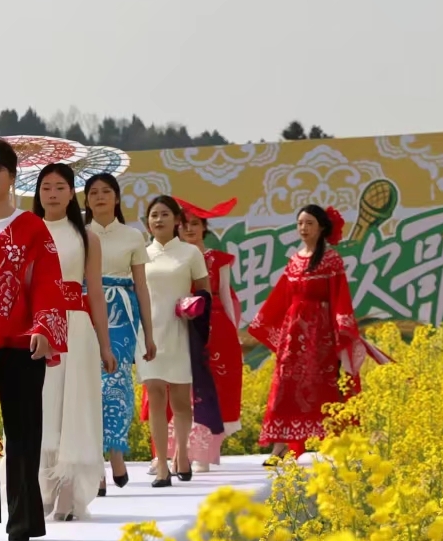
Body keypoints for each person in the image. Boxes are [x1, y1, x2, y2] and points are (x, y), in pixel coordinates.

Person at [0, 139, 66, 541]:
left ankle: (24, 520)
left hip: (23, 344)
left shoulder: (31, 227)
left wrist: (43, 327)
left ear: (12, 176)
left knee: (24, 431)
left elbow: (48, 281)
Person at [248, 203, 390, 455]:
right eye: (300, 223)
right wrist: (266, 324)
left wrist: (342, 330)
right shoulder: (294, 260)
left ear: (322, 227)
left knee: (323, 388)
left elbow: (340, 296)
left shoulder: (331, 260)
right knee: (284, 387)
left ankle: (332, 444)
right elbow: (281, 297)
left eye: (309, 223)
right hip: (293, 336)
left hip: (320, 335)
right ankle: (280, 445)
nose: (303, 228)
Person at [33, 163, 116, 522]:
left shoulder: (87, 238)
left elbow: (95, 293)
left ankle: (68, 496)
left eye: (60, 187)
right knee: (43, 406)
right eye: (46, 187)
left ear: (71, 193)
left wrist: (106, 344)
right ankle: (42, 491)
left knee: (75, 407)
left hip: (77, 328)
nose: (52, 194)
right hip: (38, 329)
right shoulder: (27, 232)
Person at [86, 172, 152, 493]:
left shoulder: (133, 236)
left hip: (123, 314)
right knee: (88, 387)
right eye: (93, 192)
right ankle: (95, 465)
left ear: (116, 197)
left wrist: (149, 334)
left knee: (116, 381)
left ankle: (116, 451)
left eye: (106, 191)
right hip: (86, 310)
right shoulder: (79, 233)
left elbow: (141, 286)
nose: (100, 197)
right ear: (86, 200)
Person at [139, 196, 210, 485]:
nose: (159, 220)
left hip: (180, 329)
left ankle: (182, 454)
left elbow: (204, 290)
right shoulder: (141, 254)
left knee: (181, 400)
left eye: (164, 214)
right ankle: (162, 465)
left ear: (176, 220)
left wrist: (194, 305)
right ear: (147, 222)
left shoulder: (190, 253)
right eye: (154, 215)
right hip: (148, 332)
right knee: (155, 396)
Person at [177, 199, 244, 472]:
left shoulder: (219, 259)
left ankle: (206, 451)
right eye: (184, 224)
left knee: (215, 386)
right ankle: (177, 452)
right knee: (182, 386)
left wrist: (234, 333)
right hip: (182, 323)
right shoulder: (175, 258)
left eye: (195, 224)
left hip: (216, 325)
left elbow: (226, 296)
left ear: (204, 227)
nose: (189, 229)